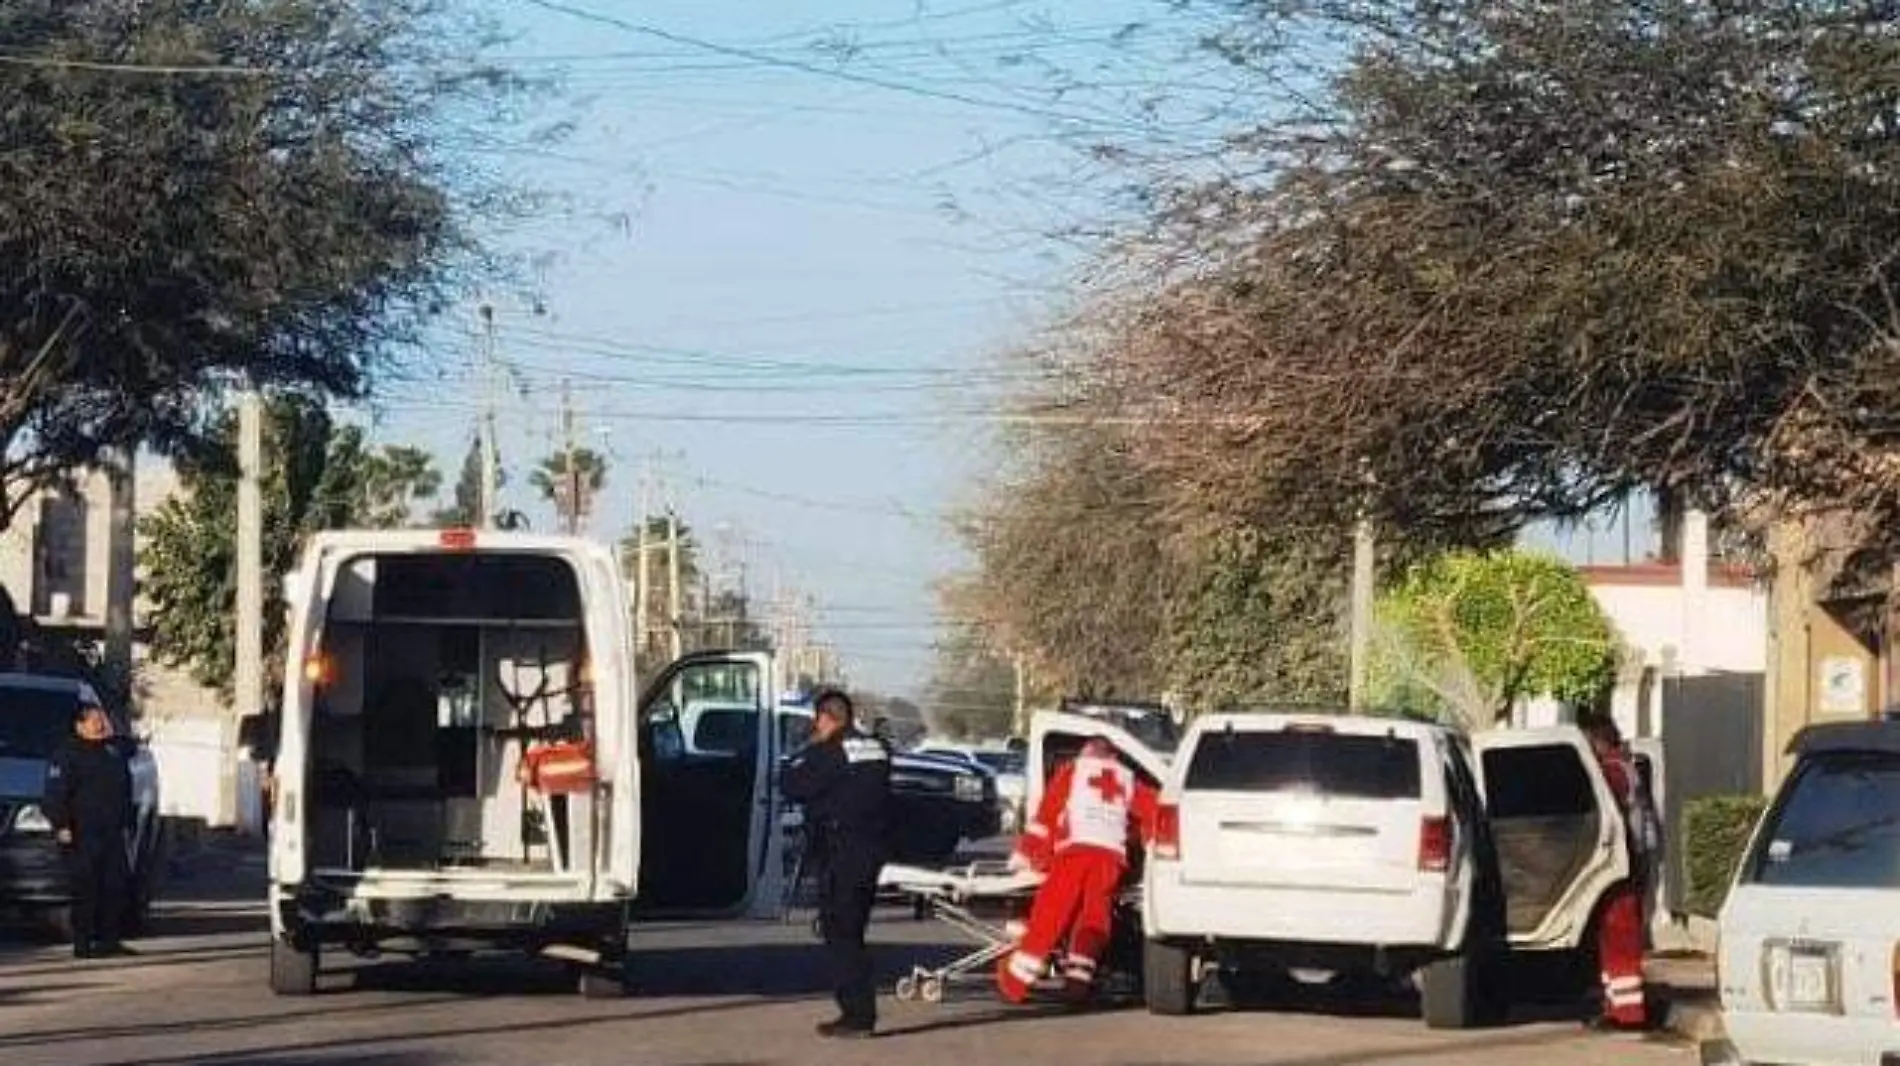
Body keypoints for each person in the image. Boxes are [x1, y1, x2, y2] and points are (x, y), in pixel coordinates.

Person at [997, 737, 1157, 1005]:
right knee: (1094, 917)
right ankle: (1077, 982)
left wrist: (1027, 855)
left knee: (1051, 912)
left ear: (1085, 754)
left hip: (1075, 852)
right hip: (1110, 858)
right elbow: (1156, 810)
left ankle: (1015, 980)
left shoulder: (1073, 772)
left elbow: (1046, 817)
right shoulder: (1128, 779)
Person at [782, 689, 891, 1039]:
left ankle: (857, 1015)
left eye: (818, 721)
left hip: (840, 851)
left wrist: (810, 747)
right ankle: (860, 1010)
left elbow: (793, 785)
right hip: (872, 850)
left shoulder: (826, 752)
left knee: (840, 933)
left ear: (825, 719)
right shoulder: (877, 749)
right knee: (854, 930)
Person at [43, 701, 136, 959]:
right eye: (95, 719)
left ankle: (110, 940)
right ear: (80, 725)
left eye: (102, 718)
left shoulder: (112, 750)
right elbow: (55, 794)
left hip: (112, 831)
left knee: (114, 887)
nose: (101, 723)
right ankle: (82, 943)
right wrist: (61, 824)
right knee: (85, 889)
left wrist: (128, 821)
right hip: (83, 832)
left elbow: (131, 748)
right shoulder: (68, 754)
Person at [1582, 716, 1655, 1031]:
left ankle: (1628, 1013)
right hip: (1626, 862)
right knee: (1612, 939)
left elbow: (1606, 814)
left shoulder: (1612, 770)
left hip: (1621, 864)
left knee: (1619, 938)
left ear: (1599, 740)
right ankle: (1617, 1007)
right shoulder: (1623, 766)